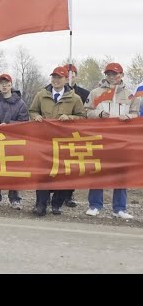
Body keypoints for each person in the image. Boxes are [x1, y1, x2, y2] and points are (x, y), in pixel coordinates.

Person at [28, 66, 86, 216]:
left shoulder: (75, 98)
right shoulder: (42, 95)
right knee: (43, 173)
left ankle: (57, 204)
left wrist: (70, 118)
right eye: (53, 77)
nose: (56, 80)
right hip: (45, 141)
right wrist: (36, 117)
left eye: (59, 77)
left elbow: (83, 117)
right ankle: (40, 204)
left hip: (64, 142)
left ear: (65, 79)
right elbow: (32, 111)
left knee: (62, 173)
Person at [84, 62, 139, 219]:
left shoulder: (130, 95)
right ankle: (94, 205)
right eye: (108, 74)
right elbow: (86, 112)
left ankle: (119, 208)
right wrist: (99, 114)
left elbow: (136, 114)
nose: (111, 76)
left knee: (121, 172)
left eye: (114, 74)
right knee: (98, 171)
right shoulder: (95, 93)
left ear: (121, 75)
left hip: (122, 140)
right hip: (100, 138)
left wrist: (128, 116)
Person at [0, 74, 29, 209]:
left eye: (6, 83)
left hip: (13, 143)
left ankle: (15, 199)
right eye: (1, 83)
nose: (3, 85)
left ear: (10, 85)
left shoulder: (20, 103)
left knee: (13, 170)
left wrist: (8, 124)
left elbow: (24, 122)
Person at [62, 64, 90, 208]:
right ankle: (50, 194)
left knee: (71, 167)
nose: (69, 77)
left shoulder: (84, 94)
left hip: (75, 136)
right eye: (66, 74)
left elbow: (86, 115)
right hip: (54, 135)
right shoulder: (48, 91)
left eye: (72, 74)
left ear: (76, 76)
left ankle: (68, 194)